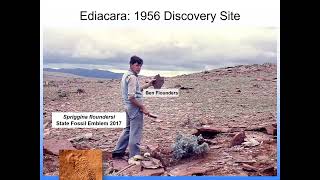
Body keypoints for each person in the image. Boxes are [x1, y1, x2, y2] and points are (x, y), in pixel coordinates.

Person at [112, 55, 155, 165]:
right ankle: (134, 156)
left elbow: (136, 90)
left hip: (127, 107)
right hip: (134, 108)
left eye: (140, 66)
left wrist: (149, 84)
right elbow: (131, 96)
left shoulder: (126, 75)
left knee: (127, 129)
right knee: (135, 132)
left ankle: (118, 152)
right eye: (137, 65)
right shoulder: (132, 77)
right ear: (131, 65)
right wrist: (142, 107)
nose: (139, 68)